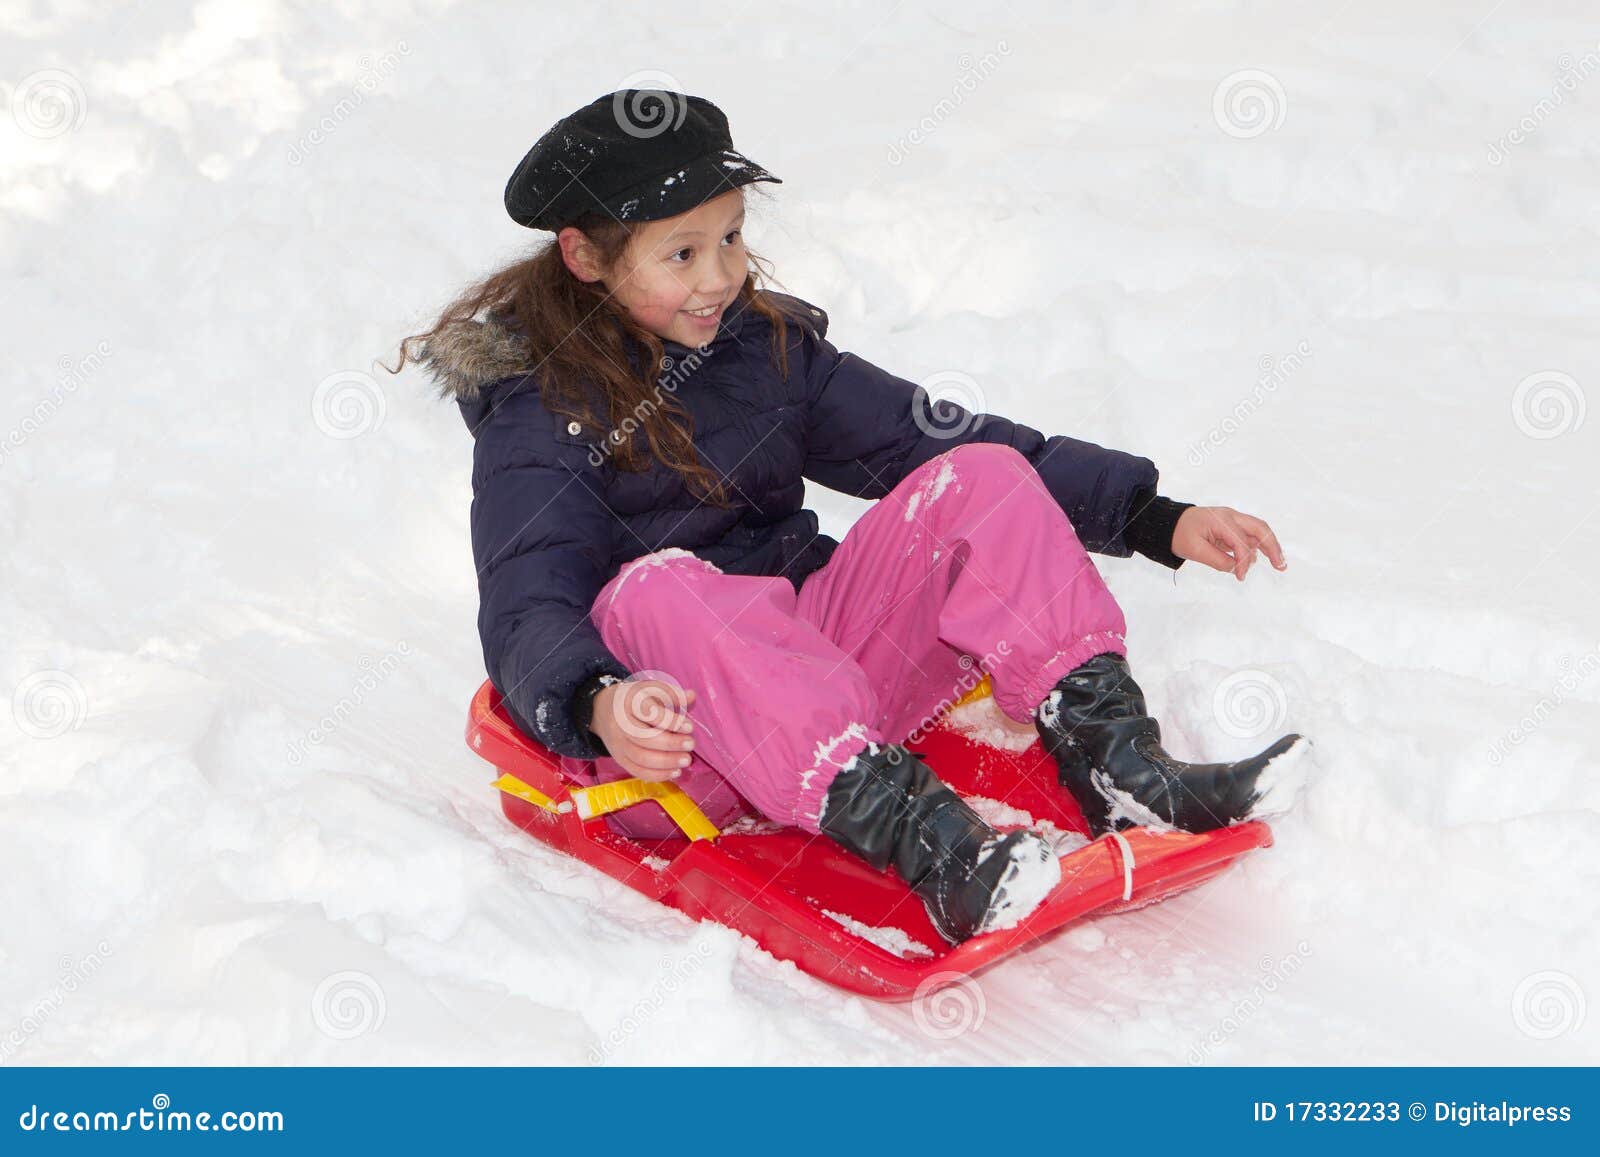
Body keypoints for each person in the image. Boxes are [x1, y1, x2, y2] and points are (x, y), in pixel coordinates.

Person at [395, 90, 1309, 944]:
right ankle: (941, 852)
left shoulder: (766, 351)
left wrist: (1150, 513)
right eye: (682, 253)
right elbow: (525, 602)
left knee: (978, 475)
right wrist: (599, 699)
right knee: (661, 585)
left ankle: (1120, 767)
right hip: (665, 738)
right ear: (584, 256)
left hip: (816, 679)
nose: (720, 275)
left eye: (732, 238)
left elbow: (927, 437)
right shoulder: (537, 413)